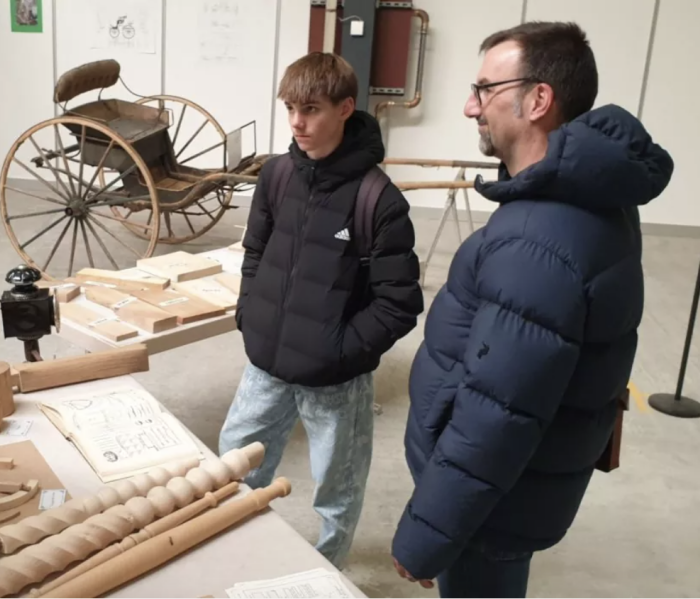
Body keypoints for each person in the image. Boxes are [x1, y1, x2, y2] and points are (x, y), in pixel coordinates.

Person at [389, 22, 674, 597]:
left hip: (490, 509)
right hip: (517, 492)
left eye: (485, 89)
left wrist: (427, 535)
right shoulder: (586, 198)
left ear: (538, 99)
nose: (471, 106)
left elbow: (497, 415)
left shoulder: (537, 238)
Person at [219, 52, 424, 568]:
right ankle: (230, 548)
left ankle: (325, 569)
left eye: (310, 109)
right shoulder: (277, 177)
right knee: (232, 469)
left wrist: (337, 352)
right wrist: (251, 315)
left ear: (345, 108)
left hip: (335, 382)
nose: (296, 122)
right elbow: (256, 252)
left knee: (337, 487)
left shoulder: (378, 200)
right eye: (290, 108)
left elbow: (398, 304)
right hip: (265, 365)